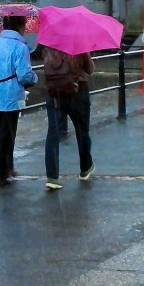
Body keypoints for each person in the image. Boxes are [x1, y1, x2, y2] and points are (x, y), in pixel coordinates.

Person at [0, 15, 38, 186]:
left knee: (5, 131)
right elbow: (24, 74)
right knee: (8, 134)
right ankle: (0, 173)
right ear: (20, 27)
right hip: (11, 95)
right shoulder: (20, 47)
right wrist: (34, 79)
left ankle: (8, 166)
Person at [42, 46, 95, 191]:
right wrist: (87, 55)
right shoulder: (79, 43)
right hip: (78, 91)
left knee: (53, 133)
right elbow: (89, 69)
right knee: (82, 131)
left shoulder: (49, 45)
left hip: (55, 93)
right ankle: (85, 168)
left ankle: (52, 177)